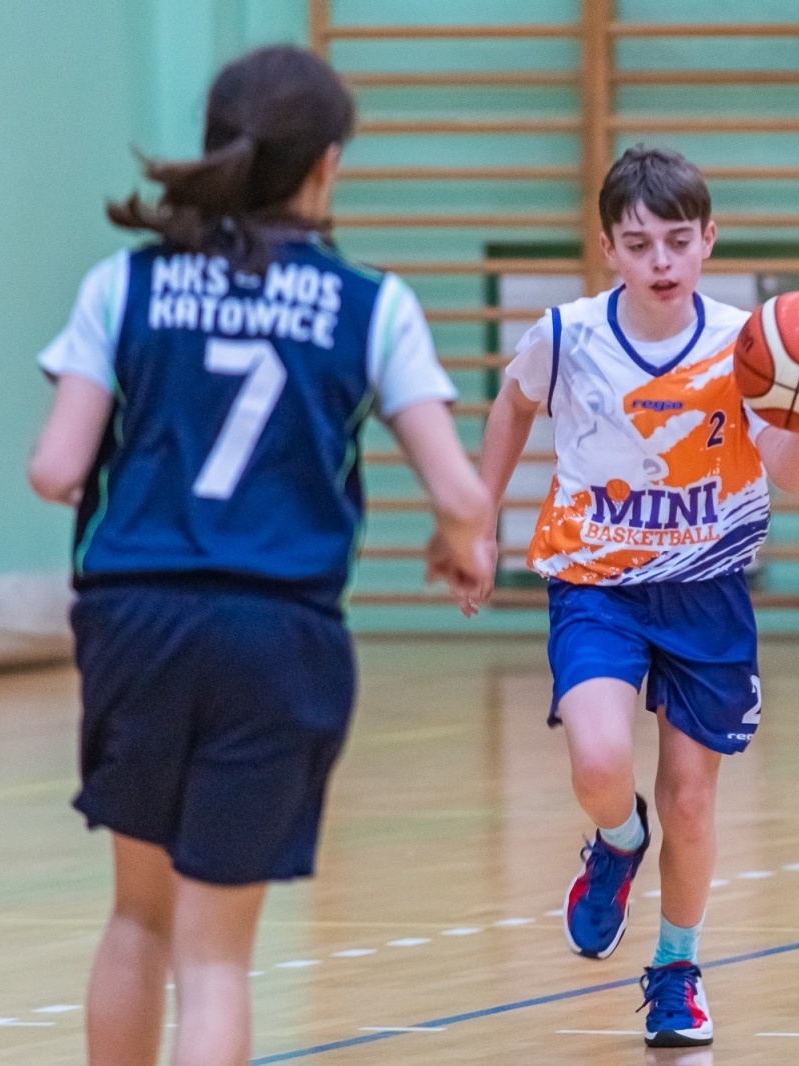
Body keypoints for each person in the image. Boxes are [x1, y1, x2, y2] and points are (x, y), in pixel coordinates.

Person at [27, 46, 492, 1066]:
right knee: (217, 959)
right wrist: (460, 543)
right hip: (276, 634)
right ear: (326, 166)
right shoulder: (373, 304)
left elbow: (55, 468)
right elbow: (460, 491)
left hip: (135, 620)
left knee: (137, 917)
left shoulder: (125, 283)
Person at [471, 145, 799, 1048]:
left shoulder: (750, 347)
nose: (661, 261)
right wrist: (479, 518)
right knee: (598, 762)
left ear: (710, 239)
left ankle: (677, 968)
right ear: (609, 248)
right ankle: (618, 842)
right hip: (596, 583)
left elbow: (790, 476)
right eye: (640, 244)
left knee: (693, 802)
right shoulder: (567, 336)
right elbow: (514, 406)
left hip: (706, 592)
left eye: (678, 240)